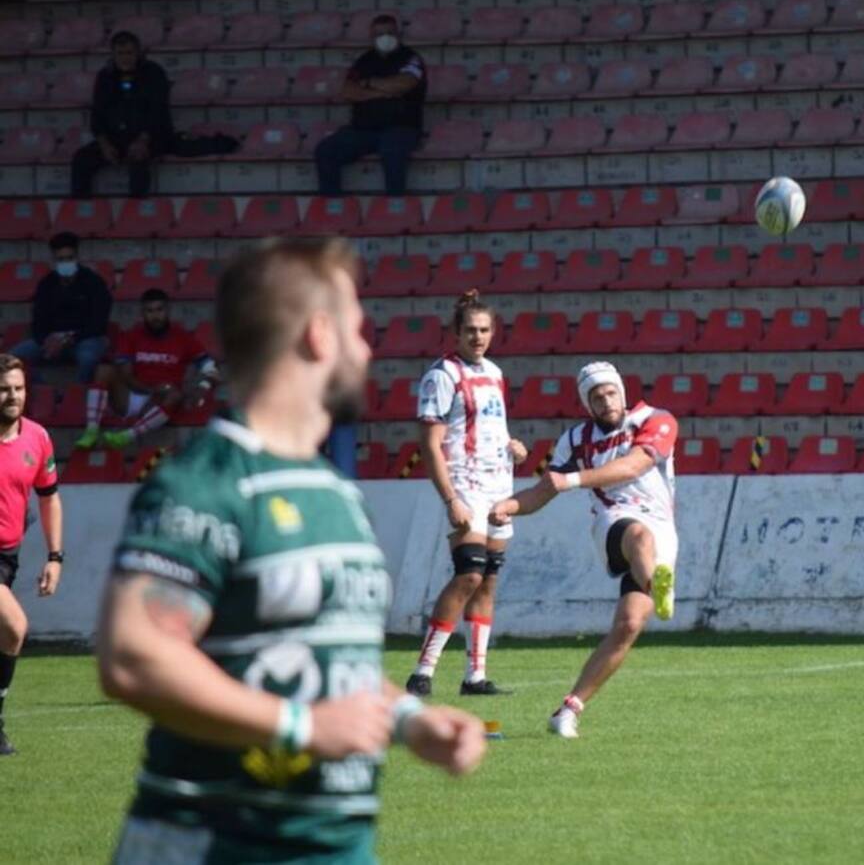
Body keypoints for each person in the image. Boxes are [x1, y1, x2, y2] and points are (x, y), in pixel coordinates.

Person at [96, 238, 485, 862]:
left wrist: (411, 720)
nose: (367, 350)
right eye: (358, 330)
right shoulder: (206, 485)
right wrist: (301, 729)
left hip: (334, 847)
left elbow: (322, 661)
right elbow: (133, 658)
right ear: (319, 334)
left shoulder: (332, 491)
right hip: (217, 845)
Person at [490, 361, 678, 739]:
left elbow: (633, 466)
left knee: (628, 626)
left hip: (663, 526)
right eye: (597, 396)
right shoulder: (575, 440)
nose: (606, 401)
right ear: (587, 404)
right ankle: (658, 585)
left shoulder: (655, 419)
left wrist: (572, 480)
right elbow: (544, 490)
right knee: (639, 537)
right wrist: (509, 505)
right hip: (614, 521)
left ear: (621, 393)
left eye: (611, 392)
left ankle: (568, 710)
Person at [406, 291, 526, 698]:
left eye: (484, 330)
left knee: (488, 580)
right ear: (456, 334)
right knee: (469, 573)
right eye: (471, 330)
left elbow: (491, 426)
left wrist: (514, 446)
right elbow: (430, 443)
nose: (478, 337)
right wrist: (450, 498)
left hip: (498, 486)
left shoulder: (494, 373)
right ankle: (423, 670)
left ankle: (475, 676)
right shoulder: (442, 376)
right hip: (466, 486)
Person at [0, 354, 64, 756]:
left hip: (10, 555)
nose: (13, 396)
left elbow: (49, 498)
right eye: (5, 388)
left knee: (6, 634)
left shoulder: (37, 438)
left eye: (19, 388)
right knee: (14, 626)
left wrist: (55, 557)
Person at [76, 288, 218, 451]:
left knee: (174, 394)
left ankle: (126, 436)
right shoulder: (132, 336)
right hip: (133, 394)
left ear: (168, 310)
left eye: (159, 310)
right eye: (149, 311)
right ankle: (91, 431)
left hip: (162, 399)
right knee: (103, 370)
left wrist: (203, 386)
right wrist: (151, 389)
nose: (155, 316)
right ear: (142, 313)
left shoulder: (183, 337)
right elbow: (126, 375)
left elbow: (211, 367)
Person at [315, 13, 426, 197]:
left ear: (398, 34)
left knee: (392, 150)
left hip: (401, 127)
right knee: (326, 150)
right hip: (363, 130)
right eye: (379, 34)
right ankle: (332, 205)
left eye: (389, 32)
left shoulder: (410, 58)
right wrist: (385, 91)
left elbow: (404, 84)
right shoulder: (364, 61)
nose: (385, 38)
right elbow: (348, 91)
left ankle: (395, 205)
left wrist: (367, 83)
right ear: (371, 37)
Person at [71, 31, 172, 199]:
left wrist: (142, 140)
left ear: (138, 53)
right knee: (81, 159)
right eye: (120, 53)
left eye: (129, 53)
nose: (125, 58)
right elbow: (97, 114)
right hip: (116, 137)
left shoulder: (154, 73)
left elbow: (158, 112)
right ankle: (81, 209)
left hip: (151, 135)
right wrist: (104, 144)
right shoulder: (105, 76)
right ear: (113, 55)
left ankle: (136, 210)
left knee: (138, 157)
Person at [9, 232, 112, 383]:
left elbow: (98, 322)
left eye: (70, 258)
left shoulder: (94, 282)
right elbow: (38, 320)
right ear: (54, 260)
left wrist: (70, 338)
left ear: (77, 257)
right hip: (52, 340)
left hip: (85, 339)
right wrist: (48, 339)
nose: (66, 263)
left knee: (88, 358)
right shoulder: (46, 284)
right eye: (61, 259)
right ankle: (45, 394)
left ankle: (76, 396)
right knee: (13, 358)